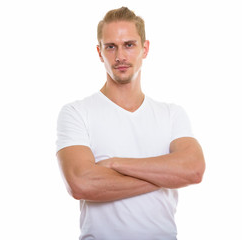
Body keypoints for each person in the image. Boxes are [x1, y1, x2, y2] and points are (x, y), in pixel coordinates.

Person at [56, 6, 205, 240]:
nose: (120, 57)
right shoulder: (77, 112)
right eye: (111, 46)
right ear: (99, 52)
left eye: (129, 45)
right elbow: (81, 183)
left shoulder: (172, 114)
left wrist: (114, 164)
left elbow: (194, 170)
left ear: (144, 49)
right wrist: (167, 175)